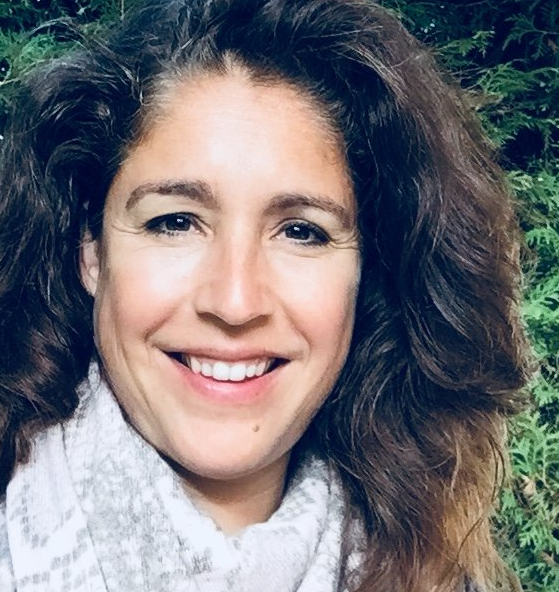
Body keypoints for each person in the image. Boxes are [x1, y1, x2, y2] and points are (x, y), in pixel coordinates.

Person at [0, 0, 531, 590]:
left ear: (367, 275)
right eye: (175, 222)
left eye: (301, 232)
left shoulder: (438, 574)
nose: (234, 302)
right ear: (92, 252)